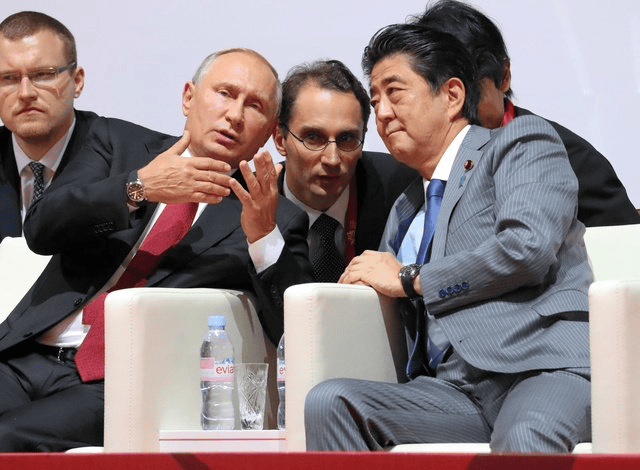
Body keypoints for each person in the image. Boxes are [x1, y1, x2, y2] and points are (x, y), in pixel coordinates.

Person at [0, 48, 313, 452]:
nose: (234, 115)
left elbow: (294, 330)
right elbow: (42, 228)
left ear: (270, 131)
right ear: (188, 97)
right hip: (25, 355)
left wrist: (262, 237)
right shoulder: (118, 145)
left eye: (254, 106)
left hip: (118, 381)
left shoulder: (274, 215)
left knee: (6, 437)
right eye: (224, 93)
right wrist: (138, 188)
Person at [304, 24, 592, 453]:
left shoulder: (520, 144)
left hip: (539, 368)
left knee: (524, 438)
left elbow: (527, 249)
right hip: (454, 390)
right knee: (332, 402)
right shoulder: (405, 207)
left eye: (395, 92)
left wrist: (411, 278)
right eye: (375, 101)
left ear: (452, 95)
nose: (382, 113)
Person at [415, 0, 639, 227]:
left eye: (467, 97)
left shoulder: (572, 160)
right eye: (441, 98)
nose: (455, 111)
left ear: (504, 77)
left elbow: (625, 244)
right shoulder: (411, 167)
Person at [273, 59, 417, 281]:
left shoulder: (404, 188)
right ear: (280, 139)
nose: (332, 159)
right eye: (313, 137)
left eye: (347, 138)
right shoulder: (244, 205)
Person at [0, 11, 99, 241]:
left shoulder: (126, 160)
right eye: (8, 78)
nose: (25, 93)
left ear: (77, 81)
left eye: (43, 74)